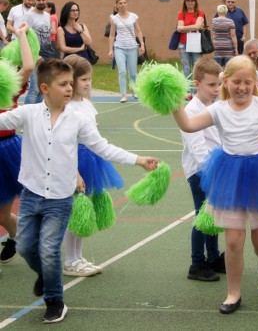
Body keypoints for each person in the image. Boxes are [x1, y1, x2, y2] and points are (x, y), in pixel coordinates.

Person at [0, 59, 157, 323]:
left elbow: (102, 146)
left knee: (49, 249)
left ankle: (55, 300)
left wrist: (137, 159)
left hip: (60, 200)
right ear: (45, 88)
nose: (69, 88)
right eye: (63, 84)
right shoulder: (27, 113)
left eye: (71, 83)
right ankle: (46, 275)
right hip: (31, 196)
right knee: (27, 247)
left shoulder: (78, 119)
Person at [171, 55, 258, 315]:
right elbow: (188, 125)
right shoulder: (219, 109)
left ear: (255, 83)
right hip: (230, 174)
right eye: (236, 82)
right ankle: (233, 292)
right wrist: (173, 101)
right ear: (226, 82)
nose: (241, 88)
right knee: (233, 241)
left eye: (247, 82)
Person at [61, 55, 123, 277]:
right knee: (75, 209)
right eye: (83, 79)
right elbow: (65, 143)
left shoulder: (86, 103)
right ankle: (70, 259)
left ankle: (78, 257)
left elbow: (94, 137)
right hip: (73, 160)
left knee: (83, 209)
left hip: (90, 158)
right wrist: (75, 172)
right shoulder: (66, 107)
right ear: (71, 79)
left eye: (89, 79)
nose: (88, 83)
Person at [180, 57, 225, 281]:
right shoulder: (191, 110)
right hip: (200, 171)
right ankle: (197, 263)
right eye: (211, 85)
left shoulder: (214, 106)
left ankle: (213, 257)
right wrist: (211, 173)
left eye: (218, 84)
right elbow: (197, 148)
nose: (216, 89)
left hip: (215, 168)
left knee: (213, 214)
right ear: (196, 84)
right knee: (202, 215)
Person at [0, 23, 34, 266]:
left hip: (6, 152)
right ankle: (17, 236)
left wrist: (21, 35)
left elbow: (30, 66)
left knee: (2, 213)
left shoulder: (8, 87)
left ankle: (17, 237)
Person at [108, 0, 145, 103]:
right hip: (119, 47)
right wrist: (111, 50)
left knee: (133, 72)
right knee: (122, 71)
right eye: (120, 3)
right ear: (117, 6)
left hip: (132, 47)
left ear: (126, 4)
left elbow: (138, 31)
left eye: (124, 2)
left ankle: (134, 90)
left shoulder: (133, 16)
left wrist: (142, 44)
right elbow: (111, 35)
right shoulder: (114, 19)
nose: (123, 5)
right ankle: (123, 94)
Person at [24, 0, 57, 105]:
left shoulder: (47, 16)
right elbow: (25, 36)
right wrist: (35, 54)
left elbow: (48, 35)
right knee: (34, 88)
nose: (41, 2)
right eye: (38, 0)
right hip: (34, 55)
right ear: (34, 1)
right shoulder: (29, 16)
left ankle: (38, 115)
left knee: (43, 89)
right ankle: (26, 116)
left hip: (47, 54)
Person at [176, 0, 205, 86]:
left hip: (196, 42)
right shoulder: (181, 13)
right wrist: (194, 27)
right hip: (183, 43)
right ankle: (187, 89)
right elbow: (179, 28)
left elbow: (196, 26)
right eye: (188, 1)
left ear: (195, 2)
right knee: (186, 67)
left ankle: (197, 88)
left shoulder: (200, 13)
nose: (190, 3)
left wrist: (185, 28)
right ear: (185, 2)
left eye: (192, 1)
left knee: (197, 67)